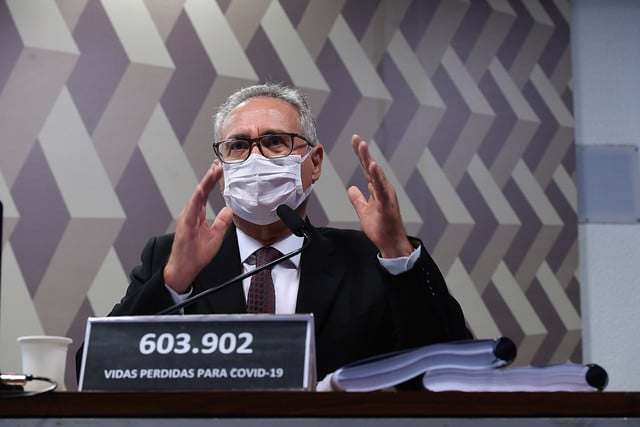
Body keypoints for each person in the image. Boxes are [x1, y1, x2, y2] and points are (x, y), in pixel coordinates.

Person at [100, 83, 471, 382]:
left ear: (315, 162)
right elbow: (98, 370)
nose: (256, 158)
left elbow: (450, 369)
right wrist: (173, 284)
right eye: (239, 146)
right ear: (222, 166)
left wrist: (397, 254)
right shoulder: (169, 259)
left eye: (275, 141)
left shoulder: (367, 260)